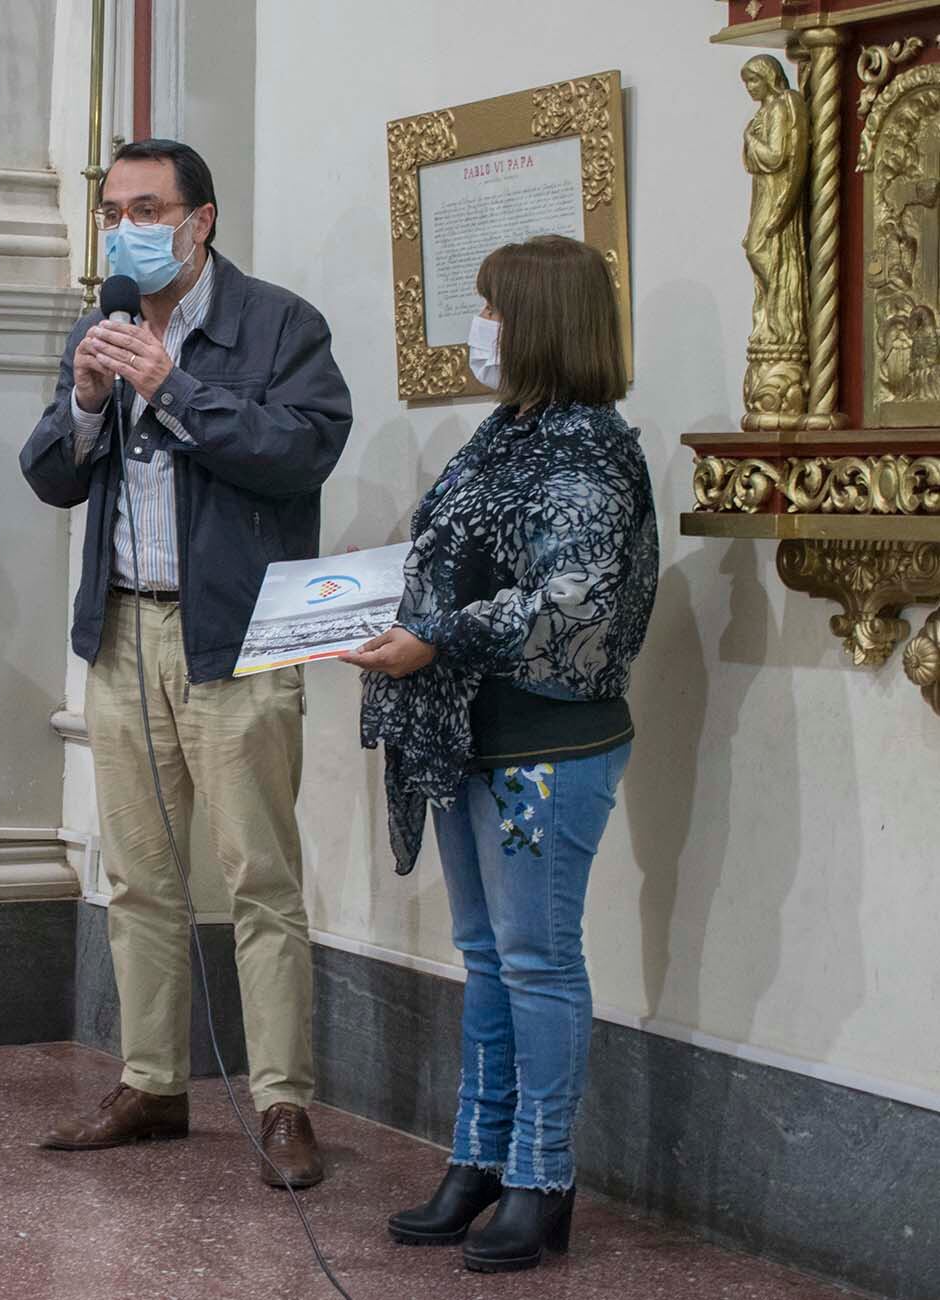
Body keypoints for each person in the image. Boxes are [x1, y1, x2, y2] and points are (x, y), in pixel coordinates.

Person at [18, 138, 353, 1188]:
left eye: (148, 207)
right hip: (123, 631)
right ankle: (152, 1080)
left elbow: (300, 450)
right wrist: (81, 397)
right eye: (114, 207)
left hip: (239, 640)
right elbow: (48, 476)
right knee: (138, 879)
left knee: (258, 876)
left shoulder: (279, 325)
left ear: (199, 221)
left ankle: (284, 1103)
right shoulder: (103, 321)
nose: (128, 226)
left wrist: (172, 389)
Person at [348, 234, 658, 1272]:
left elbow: (573, 605)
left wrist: (440, 634)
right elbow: (453, 560)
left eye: (489, 308)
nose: (475, 328)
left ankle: (542, 1178)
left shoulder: (587, 450)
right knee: (483, 957)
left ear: (537, 323)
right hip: (467, 734)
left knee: (536, 960)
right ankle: (477, 1158)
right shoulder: (504, 432)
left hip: (546, 747)